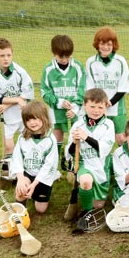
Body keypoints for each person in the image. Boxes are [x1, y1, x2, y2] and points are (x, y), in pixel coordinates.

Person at [0, 37, 34, 164]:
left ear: (12, 54)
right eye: (1, 55)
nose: (6, 58)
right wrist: (16, 99)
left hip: (23, 114)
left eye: (8, 55)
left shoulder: (20, 71)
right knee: (8, 146)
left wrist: (7, 105)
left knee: (29, 141)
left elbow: (27, 93)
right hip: (7, 117)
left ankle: (28, 168)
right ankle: (8, 170)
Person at [65, 88, 115, 216]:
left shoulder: (109, 125)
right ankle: (87, 213)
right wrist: (74, 142)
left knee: (98, 205)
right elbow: (69, 153)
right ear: (84, 106)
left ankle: (88, 195)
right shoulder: (78, 125)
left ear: (105, 107)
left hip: (100, 166)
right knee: (86, 181)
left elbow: (103, 148)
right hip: (84, 164)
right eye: (92, 106)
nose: (96, 111)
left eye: (100, 107)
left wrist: (86, 137)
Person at [41, 35, 86, 170]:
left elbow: (83, 87)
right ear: (54, 54)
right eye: (62, 57)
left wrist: (76, 107)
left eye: (68, 57)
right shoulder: (48, 69)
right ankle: (53, 166)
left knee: (77, 134)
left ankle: (75, 163)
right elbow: (45, 92)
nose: (65, 60)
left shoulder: (77, 67)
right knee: (57, 135)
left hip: (76, 110)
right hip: (56, 111)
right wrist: (59, 103)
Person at [86, 26, 129, 146]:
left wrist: (110, 102)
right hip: (97, 107)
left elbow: (124, 86)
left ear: (114, 45)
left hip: (117, 108)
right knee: (98, 137)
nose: (106, 47)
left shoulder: (120, 61)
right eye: (102, 44)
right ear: (97, 44)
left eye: (109, 44)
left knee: (121, 138)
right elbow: (90, 88)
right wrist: (100, 104)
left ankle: (125, 162)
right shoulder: (91, 62)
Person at [10, 101, 60, 213]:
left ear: (44, 118)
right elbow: (17, 158)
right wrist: (21, 179)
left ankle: (34, 191)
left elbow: (49, 166)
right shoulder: (22, 138)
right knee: (20, 193)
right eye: (28, 120)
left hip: (42, 177)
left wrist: (34, 185)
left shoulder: (50, 140)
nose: (32, 122)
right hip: (27, 173)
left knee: (40, 209)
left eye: (35, 118)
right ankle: (20, 211)